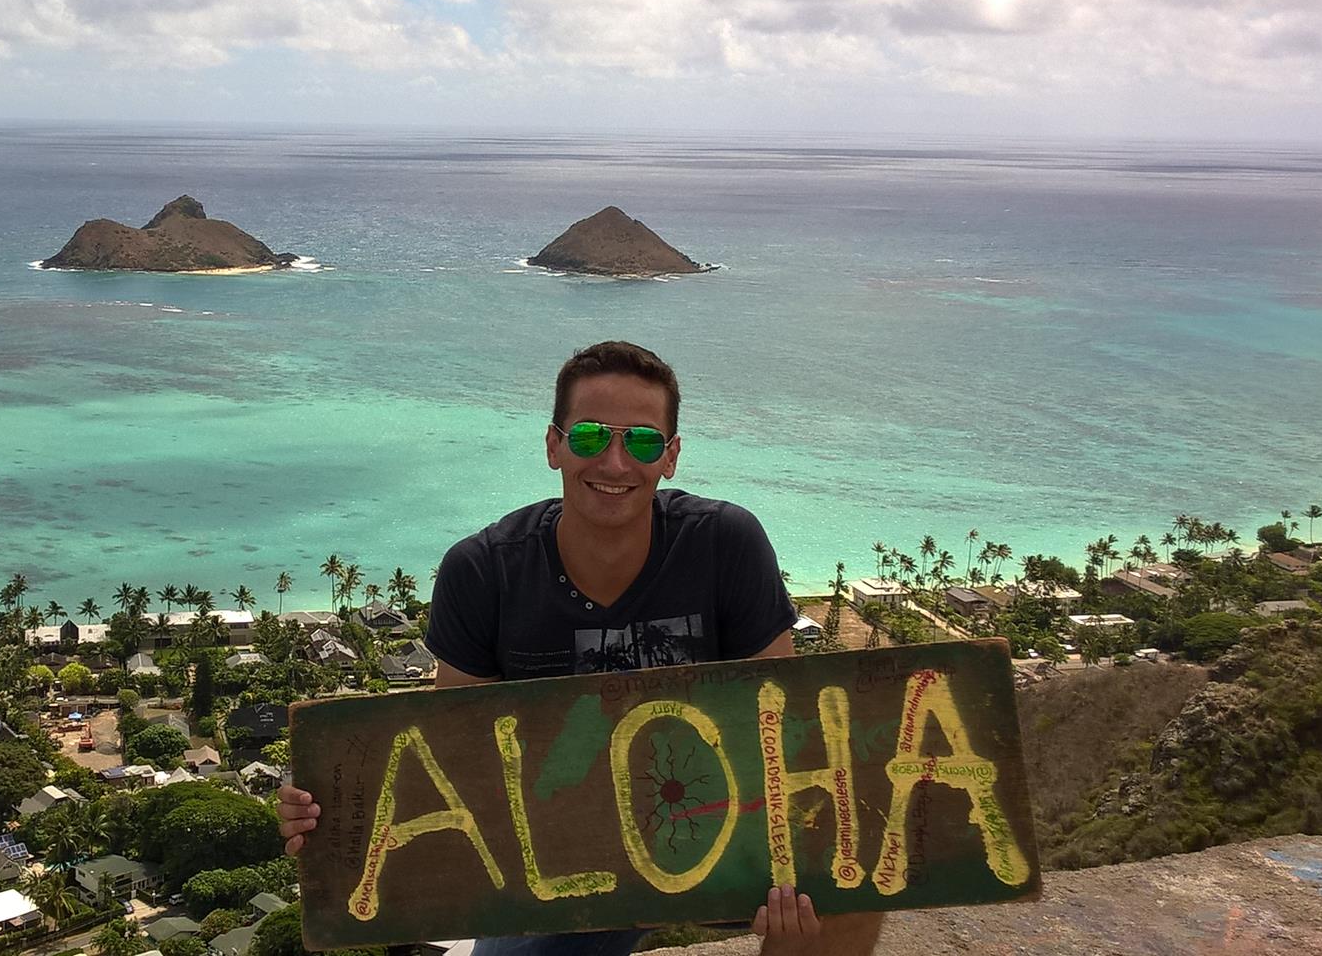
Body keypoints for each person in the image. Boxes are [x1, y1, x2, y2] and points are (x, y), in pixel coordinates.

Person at [278, 341, 883, 955]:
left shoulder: (727, 544)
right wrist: (330, 815)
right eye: (591, 436)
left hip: (720, 835)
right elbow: (455, 765)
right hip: (559, 867)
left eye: (643, 441)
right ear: (553, 446)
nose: (616, 462)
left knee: (843, 900)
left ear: (670, 458)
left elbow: (775, 724)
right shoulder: (485, 571)